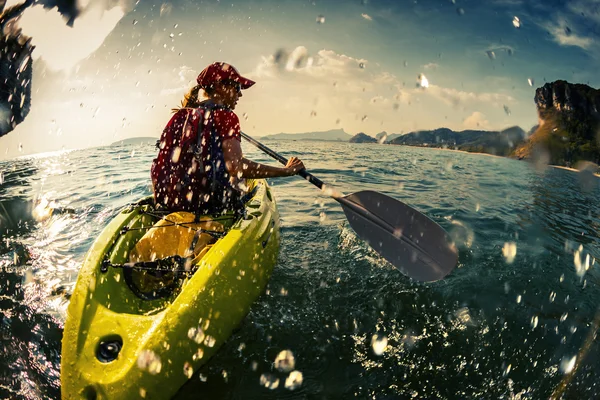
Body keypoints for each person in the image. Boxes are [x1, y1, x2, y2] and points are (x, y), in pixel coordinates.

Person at [151, 62, 305, 214]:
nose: (240, 94)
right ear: (219, 86)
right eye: (237, 88)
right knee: (238, 180)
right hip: (208, 208)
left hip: (169, 204)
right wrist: (286, 171)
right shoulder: (226, 116)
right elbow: (236, 167)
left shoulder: (181, 116)